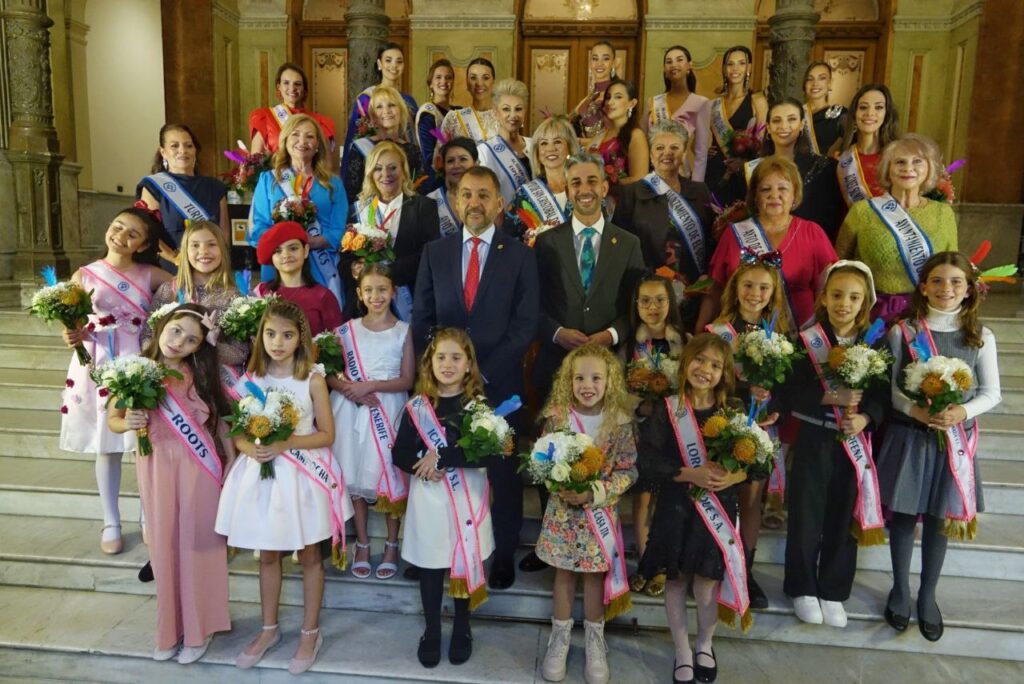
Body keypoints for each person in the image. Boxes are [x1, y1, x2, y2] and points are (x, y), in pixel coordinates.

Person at [413, 165, 540, 589]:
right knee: (444, 465)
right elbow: (422, 318)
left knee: (500, 470)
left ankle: (502, 552)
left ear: (499, 203)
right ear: (455, 200)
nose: (474, 203)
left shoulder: (520, 255)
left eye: (484, 195)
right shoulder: (436, 252)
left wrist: (481, 373)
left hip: (499, 385)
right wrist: (441, 374)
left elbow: (525, 325)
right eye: (466, 194)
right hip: (444, 386)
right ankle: (436, 548)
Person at [216, 299, 352, 674]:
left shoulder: (312, 378)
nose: (278, 342)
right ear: (261, 336)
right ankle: (269, 629)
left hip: (304, 477)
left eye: (287, 335)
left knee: (310, 556)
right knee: (269, 555)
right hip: (265, 477)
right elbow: (239, 431)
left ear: (300, 338)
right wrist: (249, 448)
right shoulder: (253, 377)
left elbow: (327, 434)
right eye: (271, 333)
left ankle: (310, 632)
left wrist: (285, 443)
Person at [878, 252, 1001, 642]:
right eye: (937, 281)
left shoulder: (980, 336)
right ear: (923, 285)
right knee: (902, 515)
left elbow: (991, 393)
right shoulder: (905, 332)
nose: (945, 289)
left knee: (937, 518)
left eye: (955, 282)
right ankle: (899, 588)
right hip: (910, 437)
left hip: (953, 442)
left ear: (969, 289)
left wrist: (962, 410)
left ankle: (927, 593)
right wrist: (913, 408)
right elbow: (892, 387)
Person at [108, 304, 232, 663]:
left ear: (199, 347)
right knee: (163, 548)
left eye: (192, 339)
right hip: (155, 465)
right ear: (163, 325)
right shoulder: (134, 371)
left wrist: (231, 469)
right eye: (176, 330)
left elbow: (222, 425)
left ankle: (200, 629)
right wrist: (127, 421)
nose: (180, 342)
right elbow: (113, 420)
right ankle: (170, 630)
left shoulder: (204, 375)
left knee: (198, 547)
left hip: (200, 470)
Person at [772, 261, 888, 627]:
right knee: (807, 514)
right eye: (837, 295)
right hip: (814, 439)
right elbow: (787, 391)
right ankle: (802, 587)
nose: (844, 303)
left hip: (854, 443)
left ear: (866, 302)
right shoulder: (806, 341)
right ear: (823, 297)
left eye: (854, 297)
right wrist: (826, 399)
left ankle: (834, 589)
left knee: (842, 516)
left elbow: (883, 396)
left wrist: (866, 417)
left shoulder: (877, 345)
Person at [637, 333, 752, 684]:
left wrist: (732, 478)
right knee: (676, 581)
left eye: (715, 365)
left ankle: (705, 643)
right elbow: (648, 462)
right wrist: (691, 474)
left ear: (725, 373)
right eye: (699, 360)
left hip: (716, 509)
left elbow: (756, 462)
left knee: (705, 585)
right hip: (676, 508)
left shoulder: (732, 411)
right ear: (686, 363)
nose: (705, 370)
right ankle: (682, 650)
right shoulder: (666, 409)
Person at [58, 206, 172, 554]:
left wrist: (171, 254)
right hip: (96, 364)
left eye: (132, 234)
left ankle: (147, 516)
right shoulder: (84, 275)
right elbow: (72, 322)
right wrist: (71, 334)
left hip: (135, 362)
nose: (121, 236)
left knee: (141, 442)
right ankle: (111, 520)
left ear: (142, 245)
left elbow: (187, 286)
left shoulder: (150, 274)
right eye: (118, 227)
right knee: (105, 446)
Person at [392, 329, 497, 667]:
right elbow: (400, 454)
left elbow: (487, 454)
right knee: (431, 566)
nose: (448, 364)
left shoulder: (478, 407)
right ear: (429, 363)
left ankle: (463, 627)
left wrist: (440, 457)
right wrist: (419, 465)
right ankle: (432, 630)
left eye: (456, 357)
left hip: (467, 497)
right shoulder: (417, 407)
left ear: (469, 365)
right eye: (441, 357)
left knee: (464, 561)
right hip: (430, 498)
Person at [537, 344, 637, 684]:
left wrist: (595, 492)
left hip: (599, 515)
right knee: (564, 576)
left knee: (595, 578)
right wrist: (559, 485)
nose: (587, 384)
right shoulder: (556, 417)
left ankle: (595, 640)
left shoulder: (620, 421)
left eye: (596, 377)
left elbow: (628, 470)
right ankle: (559, 639)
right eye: (579, 377)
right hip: (563, 516)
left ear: (610, 381)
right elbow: (541, 461)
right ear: (568, 380)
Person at [706, 258, 792, 610]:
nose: (754, 294)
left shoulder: (782, 338)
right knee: (721, 495)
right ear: (735, 290)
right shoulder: (717, 332)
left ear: (773, 295)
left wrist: (774, 404)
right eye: (747, 286)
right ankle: (717, 561)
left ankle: (747, 568)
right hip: (723, 426)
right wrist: (741, 388)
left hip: (760, 430)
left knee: (751, 500)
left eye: (763, 288)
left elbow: (790, 384)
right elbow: (705, 382)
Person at [533, 152, 645, 403]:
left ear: (604, 188)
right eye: (576, 183)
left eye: (592, 181)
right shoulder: (546, 243)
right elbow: (532, 303)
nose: (585, 189)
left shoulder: (629, 244)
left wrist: (612, 335)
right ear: (567, 190)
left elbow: (637, 307)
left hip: (610, 369)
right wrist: (557, 332)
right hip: (556, 366)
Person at [328, 264, 415, 581]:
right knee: (354, 477)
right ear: (360, 295)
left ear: (393, 292)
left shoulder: (404, 331)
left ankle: (392, 544)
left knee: (388, 480)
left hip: (387, 408)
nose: (376, 296)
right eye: (369, 290)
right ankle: (362, 543)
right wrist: (350, 390)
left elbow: (407, 378)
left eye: (382, 289)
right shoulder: (346, 330)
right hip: (351, 411)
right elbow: (331, 372)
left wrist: (372, 386)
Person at [698, 155, 837, 333]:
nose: (774, 195)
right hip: (742, 337)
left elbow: (828, 291)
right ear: (755, 196)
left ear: (795, 194)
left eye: (783, 188)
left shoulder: (812, 233)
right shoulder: (734, 234)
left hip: (802, 339)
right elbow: (716, 290)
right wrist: (699, 331)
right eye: (765, 189)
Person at [835, 134, 958, 322]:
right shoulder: (863, 211)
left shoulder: (943, 214)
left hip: (926, 313)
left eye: (917, 161)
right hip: (873, 313)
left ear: (929, 169)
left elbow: (952, 266)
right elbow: (840, 264)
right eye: (900, 162)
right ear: (887, 169)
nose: (908, 168)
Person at [612, 120, 713, 329]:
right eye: (659, 147)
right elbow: (620, 246)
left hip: (693, 293)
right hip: (648, 295)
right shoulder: (632, 193)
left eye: (674, 147)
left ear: (684, 154)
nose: (667, 153)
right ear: (650, 155)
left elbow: (712, 240)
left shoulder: (700, 191)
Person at [623, 275, 685, 598]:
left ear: (670, 303)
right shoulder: (630, 343)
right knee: (642, 498)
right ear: (636, 305)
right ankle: (646, 561)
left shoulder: (682, 341)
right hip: (641, 429)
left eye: (660, 299)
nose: (652, 307)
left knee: (666, 499)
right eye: (645, 300)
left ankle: (662, 565)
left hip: (673, 431)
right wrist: (640, 405)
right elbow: (618, 386)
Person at [250, 114, 347, 307]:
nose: (302, 141)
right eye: (295, 134)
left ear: (318, 144)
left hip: (322, 267)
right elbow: (257, 227)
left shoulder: (333, 183)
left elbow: (339, 230)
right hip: (279, 266)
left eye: (310, 137)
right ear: (285, 140)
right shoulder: (268, 180)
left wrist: (310, 242)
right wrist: (287, 243)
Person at [342, 140, 440, 321]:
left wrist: (386, 271)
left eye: (392, 167)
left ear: (404, 170)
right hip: (366, 306)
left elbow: (429, 255)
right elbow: (346, 257)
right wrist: (354, 267)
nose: (385, 174)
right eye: (378, 168)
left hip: (409, 298)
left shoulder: (424, 207)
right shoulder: (357, 210)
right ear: (370, 173)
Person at [743, 98, 844, 240]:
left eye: (791, 119)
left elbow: (832, 220)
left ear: (802, 124)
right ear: (769, 127)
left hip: (808, 246)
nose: (784, 126)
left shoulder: (824, 167)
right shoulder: (755, 169)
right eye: (777, 121)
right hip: (764, 249)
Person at [136, 123, 229, 267]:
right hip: (171, 268)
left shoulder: (215, 187)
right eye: (174, 146)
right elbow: (147, 232)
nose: (183, 151)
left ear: (195, 150)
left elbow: (224, 234)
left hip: (210, 267)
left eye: (188, 145)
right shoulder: (153, 186)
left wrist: (220, 266)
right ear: (163, 152)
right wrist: (175, 259)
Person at [703, 46, 769, 206]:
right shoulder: (714, 104)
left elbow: (761, 144)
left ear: (749, 68)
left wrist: (743, 163)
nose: (735, 68)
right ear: (724, 69)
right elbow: (697, 144)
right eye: (730, 64)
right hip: (714, 170)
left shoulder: (757, 101)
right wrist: (705, 150)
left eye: (741, 63)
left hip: (742, 173)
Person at [254, 221, 342, 336]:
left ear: (305, 251)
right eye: (278, 251)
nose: (286, 255)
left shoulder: (324, 296)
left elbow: (337, 343)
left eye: (293, 248)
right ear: (272, 258)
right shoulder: (262, 292)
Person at [342, 86, 424, 204]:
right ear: (373, 116)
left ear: (400, 110)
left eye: (392, 105)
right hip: (369, 218)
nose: (386, 111)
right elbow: (351, 194)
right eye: (379, 106)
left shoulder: (413, 150)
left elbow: (420, 192)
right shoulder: (360, 148)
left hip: (405, 215)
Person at [505, 116, 580, 245]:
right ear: (537, 153)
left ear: (570, 148)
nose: (551, 149)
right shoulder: (524, 195)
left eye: (557, 142)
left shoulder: (585, 189)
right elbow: (510, 240)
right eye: (544, 143)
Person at [342, 43, 418, 169]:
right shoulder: (367, 98)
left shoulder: (408, 101)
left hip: (404, 165)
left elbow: (426, 129)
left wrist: (443, 140)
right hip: (373, 166)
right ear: (379, 64)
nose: (394, 65)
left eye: (399, 61)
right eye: (388, 60)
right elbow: (352, 138)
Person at [645, 45, 710, 181]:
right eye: (669, 62)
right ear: (664, 69)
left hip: (681, 176)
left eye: (679, 60)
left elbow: (701, 153)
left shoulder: (700, 103)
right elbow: (642, 141)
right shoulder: (654, 102)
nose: (674, 65)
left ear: (689, 65)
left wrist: (696, 187)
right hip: (654, 177)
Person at [832, 84, 900, 209]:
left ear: (887, 114)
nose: (870, 113)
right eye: (863, 107)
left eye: (878, 107)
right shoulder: (841, 158)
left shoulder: (898, 157)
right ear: (854, 114)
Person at [248, 62, 336, 156]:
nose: (292, 88)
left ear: (304, 89)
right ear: (279, 87)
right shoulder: (264, 117)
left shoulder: (320, 122)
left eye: (297, 84)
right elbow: (255, 162)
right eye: (286, 83)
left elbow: (326, 164)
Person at [586, 78, 649, 195]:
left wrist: (608, 183)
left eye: (618, 97)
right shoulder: (602, 133)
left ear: (632, 103)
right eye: (608, 97)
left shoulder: (635, 135)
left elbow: (640, 179)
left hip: (621, 203)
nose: (610, 102)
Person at [477, 79, 534, 205]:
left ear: (525, 111)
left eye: (518, 109)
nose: (513, 115)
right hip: (504, 221)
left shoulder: (534, 145)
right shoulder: (484, 151)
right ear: (496, 113)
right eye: (506, 109)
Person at [438, 58, 501, 149]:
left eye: (485, 78)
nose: (479, 83)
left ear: (493, 81)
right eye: (473, 78)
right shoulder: (453, 118)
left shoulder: (503, 117)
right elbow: (440, 156)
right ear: (467, 83)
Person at [427, 137, 478, 237]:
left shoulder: (487, 197)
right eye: (450, 161)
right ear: (444, 167)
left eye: (463, 159)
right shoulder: (431, 201)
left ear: (475, 164)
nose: (456, 165)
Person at [415, 58, 456, 180]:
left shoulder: (458, 111)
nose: (444, 81)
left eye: (448, 77)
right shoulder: (428, 114)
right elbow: (428, 157)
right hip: (436, 179)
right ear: (431, 83)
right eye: (438, 77)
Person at [570, 40, 617, 141]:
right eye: (595, 59)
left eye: (606, 59)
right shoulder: (590, 96)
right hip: (583, 155)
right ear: (590, 62)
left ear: (613, 62)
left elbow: (612, 139)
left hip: (603, 155)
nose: (599, 63)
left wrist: (578, 142)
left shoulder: (616, 97)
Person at [802, 61, 847, 156]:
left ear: (830, 83)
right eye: (810, 79)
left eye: (822, 78)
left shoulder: (841, 114)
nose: (815, 83)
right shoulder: (797, 114)